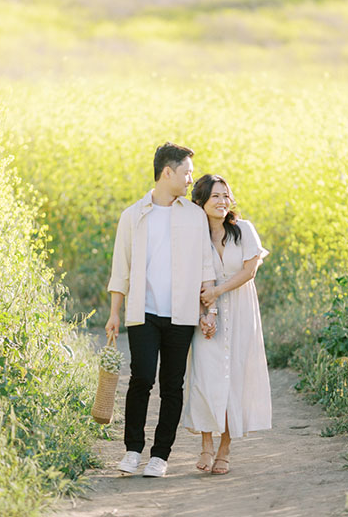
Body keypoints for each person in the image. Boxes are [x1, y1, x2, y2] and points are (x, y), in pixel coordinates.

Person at [105, 142, 216, 478]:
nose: (189, 180)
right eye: (186, 173)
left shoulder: (194, 216)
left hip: (181, 314)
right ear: (167, 172)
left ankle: (160, 455)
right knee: (141, 378)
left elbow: (205, 266)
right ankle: (132, 450)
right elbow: (120, 267)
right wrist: (114, 312)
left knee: (172, 385)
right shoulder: (133, 215)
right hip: (143, 313)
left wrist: (209, 310)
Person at [183, 174, 272, 475]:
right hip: (206, 311)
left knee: (234, 376)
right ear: (200, 202)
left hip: (240, 309)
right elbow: (191, 280)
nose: (222, 202)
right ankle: (206, 444)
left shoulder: (243, 230)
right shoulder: (194, 236)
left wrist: (218, 292)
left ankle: (225, 448)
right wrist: (201, 313)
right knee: (205, 376)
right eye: (215, 196)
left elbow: (250, 271)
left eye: (225, 195)